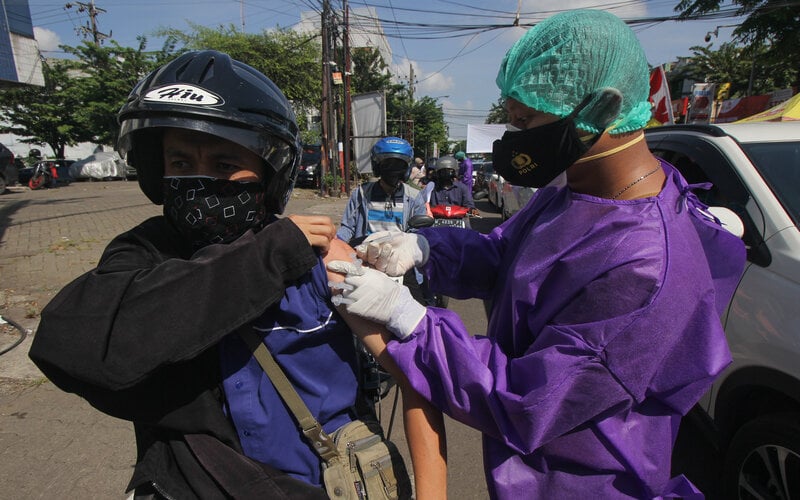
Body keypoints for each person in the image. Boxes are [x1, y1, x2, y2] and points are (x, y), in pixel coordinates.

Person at [327, 10, 747, 499]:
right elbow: (505, 255)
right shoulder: (573, 191)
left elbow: (529, 398)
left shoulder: (645, 264)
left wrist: (409, 320)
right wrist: (423, 249)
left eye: (525, 120)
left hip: (582, 482)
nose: (515, 137)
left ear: (599, 109)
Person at [29, 50, 445, 499]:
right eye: (182, 164)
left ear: (268, 173)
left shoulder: (320, 258)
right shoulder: (149, 253)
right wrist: (268, 256)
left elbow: (415, 377)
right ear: (157, 169)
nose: (202, 181)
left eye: (226, 165)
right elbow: (74, 344)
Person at [337, 136, 432, 304]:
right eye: (388, 165)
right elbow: (347, 227)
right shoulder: (361, 194)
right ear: (377, 166)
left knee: (420, 310)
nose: (393, 171)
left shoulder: (414, 196)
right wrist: (333, 247)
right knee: (343, 306)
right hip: (366, 259)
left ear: (407, 168)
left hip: (400, 263)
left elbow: (418, 233)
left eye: (399, 165)